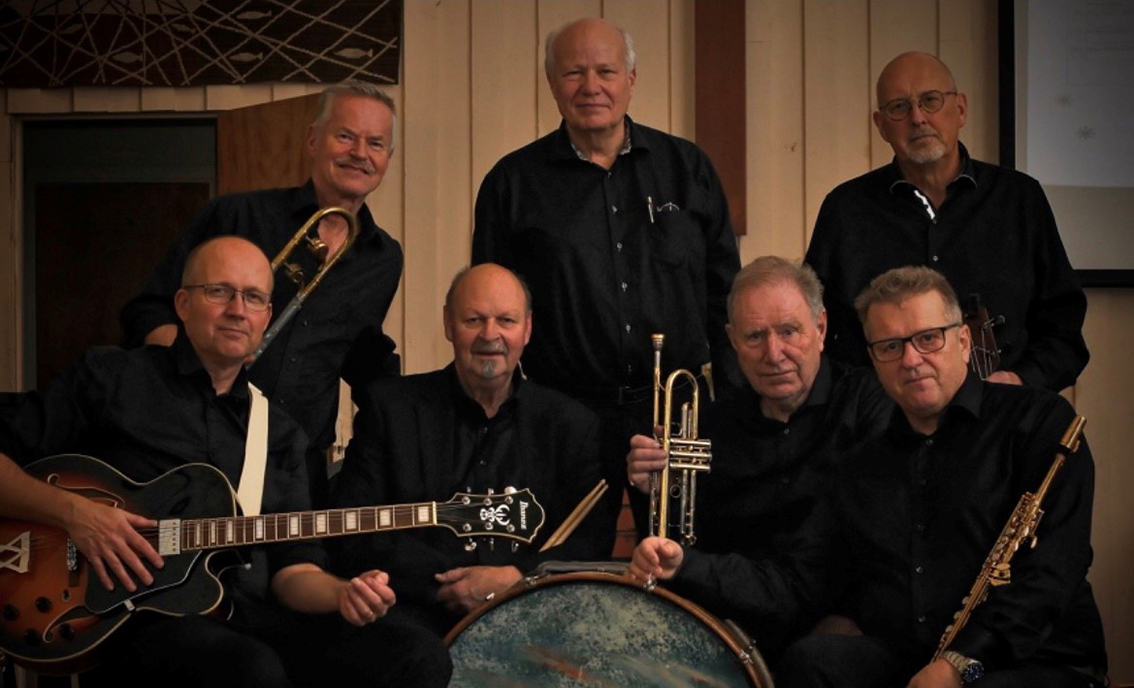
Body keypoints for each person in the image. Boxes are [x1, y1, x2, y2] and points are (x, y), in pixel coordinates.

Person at [0, 237, 450, 687]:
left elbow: (294, 569)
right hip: (129, 619)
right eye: (219, 291)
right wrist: (76, 514)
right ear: (182, 303)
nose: (238, 310)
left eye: (253, 298)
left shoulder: (279, 433)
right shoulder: (113, 379)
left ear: (266, 317)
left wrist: (341, 593)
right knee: (251, 669)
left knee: (416, 654)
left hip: (249, 616)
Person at [472, 18, 741, 538]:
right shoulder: (511, 183)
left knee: (683, 559)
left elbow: (724, 295)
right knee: (562, 562)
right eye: (574, 72)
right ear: (552, 83)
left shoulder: (688, 168)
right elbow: (492, 308)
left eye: (606, 71)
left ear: (631, 79)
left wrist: (728, 408)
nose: (590, 86)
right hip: (563, 412)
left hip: (674, 415)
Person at [777, 266, 1107, 688]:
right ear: (874, 359)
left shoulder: (1039, 423)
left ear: (964, 341)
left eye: (928, 338)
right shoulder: (862, 464)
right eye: (890, 346)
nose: (911, 360)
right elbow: (841, 579)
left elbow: (1053, 572)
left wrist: (958, 664)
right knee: (812, 661)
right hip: (917, 660)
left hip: (1034, 661)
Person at [121, 80, 403, 507]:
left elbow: (359, 356)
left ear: (388, 158)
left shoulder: (383, 258)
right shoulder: (236, 215)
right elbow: (148, 309)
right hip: (198, 451)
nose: (360, 153)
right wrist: (189, 370)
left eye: (375, 143)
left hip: (297, 468)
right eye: (345, 136)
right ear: (313, 140)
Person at [625, 256, 890, 661]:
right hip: (732, 627)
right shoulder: (710, 425)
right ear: (732, 340)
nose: (773, 353)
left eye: (789, 331)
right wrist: (656, 490)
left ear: (821, 328)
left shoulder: (869, 405)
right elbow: (683, 547)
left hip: (835, 628)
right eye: (754, 337)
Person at [329, 263, 610, 635]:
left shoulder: (572, 424)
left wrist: (519, 577)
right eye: (474, 320)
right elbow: (352, 527)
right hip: (411, 618)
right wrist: (446, 585)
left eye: (506, 321)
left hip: (536, 616)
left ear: (527, 328)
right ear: (448, 324)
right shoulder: (390, 409)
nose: (490, 335)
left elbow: (591, 542)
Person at [805, 51, 1088, 392]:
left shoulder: (1019, 199)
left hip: (1003, 413)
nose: (917, 118)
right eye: (899, 107)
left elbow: (1063, 326)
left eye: (930, 101)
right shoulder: (845, 209)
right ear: (881, 126)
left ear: (961, 109)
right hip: (880, 418)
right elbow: (815, 332)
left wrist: (1019, 381)